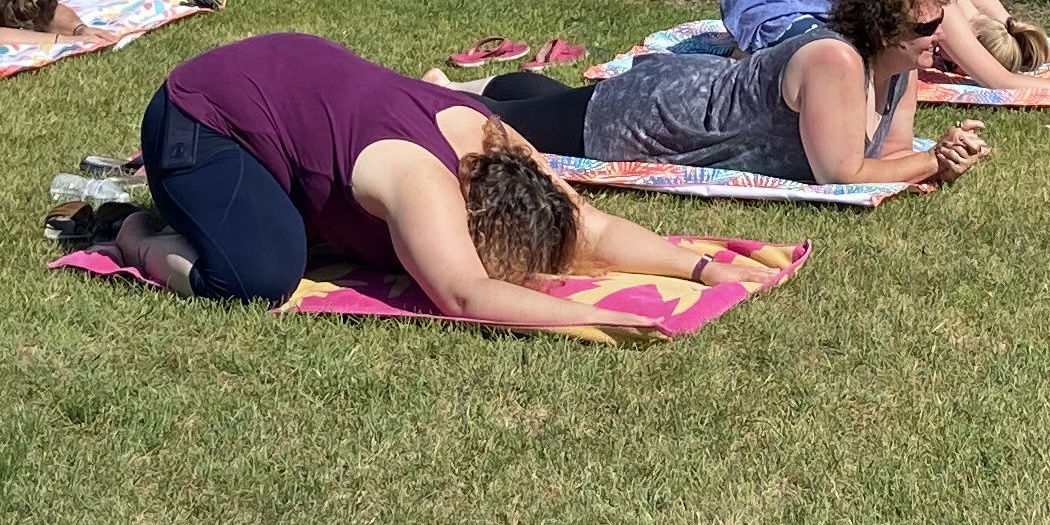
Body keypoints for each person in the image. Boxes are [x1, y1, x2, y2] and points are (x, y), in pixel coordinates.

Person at [113, 32, 725, 331]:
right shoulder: (423, 183)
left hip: (277, 88)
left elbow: (592, 224)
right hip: (196, 119)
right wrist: (607, 323)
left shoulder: (499, 143)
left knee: (308, 237)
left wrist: (699, 269)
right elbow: (463, 296)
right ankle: (136, 237)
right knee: (260, 277)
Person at [474, 0, 995, 192]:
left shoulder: (902, 70)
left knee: (545, 102)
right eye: (928, 24)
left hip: (682, 98)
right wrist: (928, 161)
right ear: (884, 31)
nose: (942, 34)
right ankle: (440, 94)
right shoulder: (835, 61)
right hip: (655, 116)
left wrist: (941, 159)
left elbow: (890, 158)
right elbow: (841, 174)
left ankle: (467, 86)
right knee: (496, 125)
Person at [717, 0, 1049, 87]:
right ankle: (749, 52)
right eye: (950, 61)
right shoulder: (935, 2)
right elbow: (999, 81)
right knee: (825, 55)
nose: (938, 60)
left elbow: (1024, 39)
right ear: (968, 40)